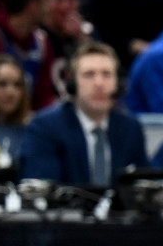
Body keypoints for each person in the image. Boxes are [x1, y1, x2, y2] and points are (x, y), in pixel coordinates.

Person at [20, 40, 147, 185]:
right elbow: (42, 189)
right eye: (89, 75)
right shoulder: (45, 128)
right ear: (72, 83)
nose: (99, 83)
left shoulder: (131, 129)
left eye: (106, 74)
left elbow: (142, 186)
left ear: (118, 83)